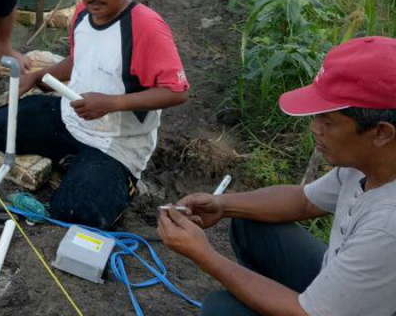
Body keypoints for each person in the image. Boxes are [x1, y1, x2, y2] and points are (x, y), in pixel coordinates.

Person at [157, 36, 396, 316]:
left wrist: (204, 255)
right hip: (350, 291)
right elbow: (304, 201)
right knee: (250, 221)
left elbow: (307, 314)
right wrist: (222, 205)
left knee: (221, 310)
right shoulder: (371, 162)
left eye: (328, 121)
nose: (314, 128)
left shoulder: (387, 226)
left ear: (381, 133)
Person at [0, 0, 189, 228]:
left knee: (78, 211)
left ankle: (112, 179)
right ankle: (75, 163)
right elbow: (80, 58)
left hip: (116, 143)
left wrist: (112, 103)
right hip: (72, 118)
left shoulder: (145, 26)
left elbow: (176, 92)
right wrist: (39, 77)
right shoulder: (82, 14)